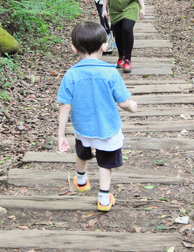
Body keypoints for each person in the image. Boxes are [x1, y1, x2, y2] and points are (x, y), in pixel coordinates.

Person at [57, 21, 137, 212]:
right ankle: (103, 199)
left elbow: (65, 106)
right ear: (104, 46)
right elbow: (124, 103)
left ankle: (82, 179)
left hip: (82, 127)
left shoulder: (71, 75)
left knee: (82, 151)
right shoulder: (110, 73)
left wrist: (61, 135)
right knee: (106, 163)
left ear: (74, 48)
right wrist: (133, 107)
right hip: (107, 128)